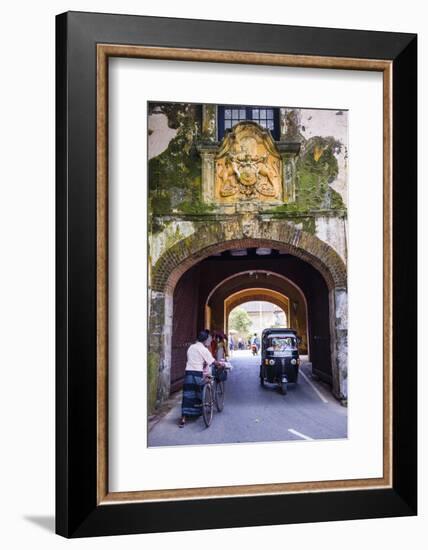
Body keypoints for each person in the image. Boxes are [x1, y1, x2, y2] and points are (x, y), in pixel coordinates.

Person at [179, 330, 224, 428]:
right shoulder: (204, 349)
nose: (210, 340)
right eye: (208, 338)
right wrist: (220, 364)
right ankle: (198, 411)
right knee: (199, 391)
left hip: (188, 373)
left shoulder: (191, 347)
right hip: (197, 374)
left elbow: (193, 359)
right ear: (205, 339)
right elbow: (212, 361)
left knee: (187, 395)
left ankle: (183, 417)